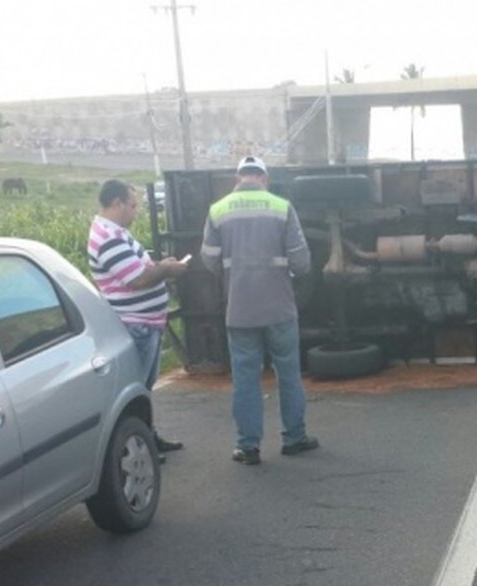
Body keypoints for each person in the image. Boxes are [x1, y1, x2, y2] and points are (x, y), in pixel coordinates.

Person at [201, 155, 316, 465]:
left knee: (245, 378)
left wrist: (234, 274)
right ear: (264, 179)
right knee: (289, 374)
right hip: (279, 307)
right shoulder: (282, 208)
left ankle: (248, 446)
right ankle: (294, 438)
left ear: (237, 178)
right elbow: (302, 263)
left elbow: (209, 259)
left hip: (240, 310)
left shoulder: (218, 210)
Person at [87, 179, 187, 455]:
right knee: (134, 392)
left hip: (144, 322)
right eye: (132, 206)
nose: (135, 212)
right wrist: (166, 270)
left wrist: (159, 266)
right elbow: (138, 279)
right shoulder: (108, 239)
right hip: (136, 324)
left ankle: (146, 437)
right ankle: (136, 446)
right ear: (116, 203)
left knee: (143, 388)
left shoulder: (115, 233)